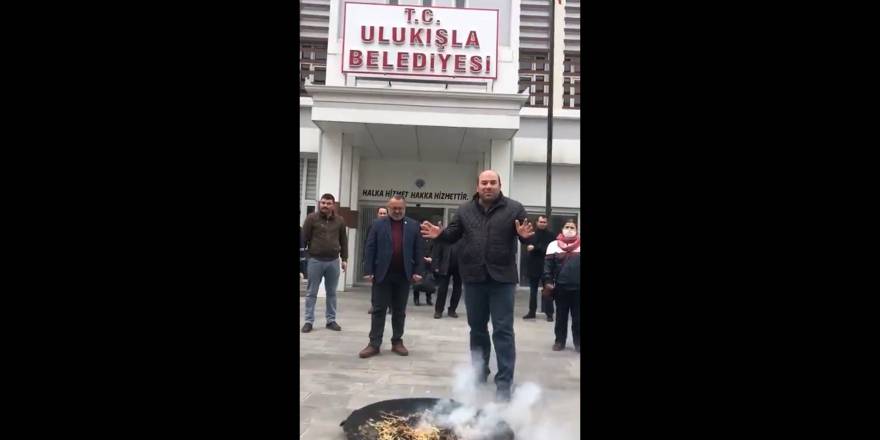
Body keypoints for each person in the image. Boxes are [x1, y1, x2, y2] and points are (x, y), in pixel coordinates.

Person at [420, 170, 534, 401]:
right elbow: (452, 235)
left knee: (503, 330)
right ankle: (479, 372)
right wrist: (440, 234)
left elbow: (526, 234)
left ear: (500, 185)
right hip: (473, 278)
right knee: (477, 329)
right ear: (478, 185)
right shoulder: (464, 210)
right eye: (484, 183)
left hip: (502, 278)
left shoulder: (514, 208)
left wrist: (524, 236)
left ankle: (504, 382)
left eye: (493, 182)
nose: (488, 186)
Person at [359, 195, 425, 358]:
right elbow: (370, 247)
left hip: (403, 275)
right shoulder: (377, 224)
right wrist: (368, 270)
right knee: (379, 310)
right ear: (388, 208)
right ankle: (374, 344)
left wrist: (418, 271)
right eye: (394, 208)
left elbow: (419, 250)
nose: (397, 211)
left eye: (400, 208)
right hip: (382, 274)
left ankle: (397, 341)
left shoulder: (413, 225)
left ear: (404, 208)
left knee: (399, 311)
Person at [301, 193, 348, 333]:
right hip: (315, 260)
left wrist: (344, 259)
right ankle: (308, 321)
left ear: (333, 205)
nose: (325, 205)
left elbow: (343, 241)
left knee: (332, 293)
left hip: (333, 261)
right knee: (311, 293)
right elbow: (303, 239)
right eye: (323, 203)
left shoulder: (340, 221)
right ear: (319, 204)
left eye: (328, 203)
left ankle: (331, 320)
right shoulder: (311, 218)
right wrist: (306, 258)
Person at [543, 219, 581, 353]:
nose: (569, 229)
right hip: (561, 288)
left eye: (572, 227)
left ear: (576, 230)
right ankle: (559, 341)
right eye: (567, 226)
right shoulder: (553, 245)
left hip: (578, 289)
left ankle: (578, 343)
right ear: (562, 229)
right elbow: (547, 266)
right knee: (561, 317)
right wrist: (548, 282)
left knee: (578, 318)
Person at [523, 215, 555, 321]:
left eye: (544, 222)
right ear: (537, 222)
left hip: (546, 267)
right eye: (541, 222)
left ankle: (549, 314)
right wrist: (538, 248)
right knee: (533, 291)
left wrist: (536, 247)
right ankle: (531, 312)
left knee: (548, 291)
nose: (542, 224)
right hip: (533, 267)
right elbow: (527, 247)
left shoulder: (551, 236)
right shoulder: (532, 234)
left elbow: (548, 249)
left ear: (547, 223)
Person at [431, 224, 462, 319]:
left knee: (457, 289)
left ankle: (452, 310)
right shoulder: (443, 237)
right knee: (442, 289)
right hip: (445, 266)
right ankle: (438, 311)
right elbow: (436, 252)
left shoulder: (463, 237)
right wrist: (435, 265)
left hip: (460, 267)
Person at [366, 207, 389, 314]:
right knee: (376, 286)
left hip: (389, 261)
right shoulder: (372, 226)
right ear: (377, 214)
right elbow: (368, 245)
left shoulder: (391, 226)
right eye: (381, 213)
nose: (382, 215)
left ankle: (391, 306)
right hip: (376, 262)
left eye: (384, 213)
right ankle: (374, 305)